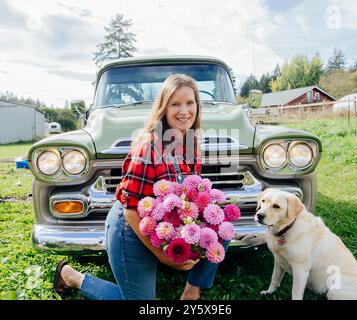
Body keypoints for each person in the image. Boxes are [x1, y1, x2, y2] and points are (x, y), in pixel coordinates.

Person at [53, 74, 228, 300]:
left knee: (221, 224)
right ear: (164, 108)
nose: (184, 111)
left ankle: (192, 290)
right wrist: (162, 256)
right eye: (175, 104)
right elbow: (131, 209)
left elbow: (192, 195)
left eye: (189, 102)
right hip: (131, 227)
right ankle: (72, 277)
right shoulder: (148, 147)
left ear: (197, 105)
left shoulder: (191, 142)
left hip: (160, 224)